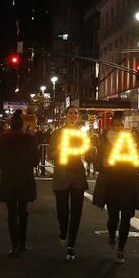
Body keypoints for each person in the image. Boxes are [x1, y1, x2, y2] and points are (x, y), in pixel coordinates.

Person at [92, 115, 139, 263]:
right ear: (111, 127)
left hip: (128, 183)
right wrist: (103, 164)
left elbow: (138, 161)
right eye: (116, 126)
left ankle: (121, 248)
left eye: (121, 125)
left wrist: (138, 166)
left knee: (127, 217)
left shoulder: (130, 142)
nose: (119, 128)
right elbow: (97, 164)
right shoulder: (105, 143)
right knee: (113, 217)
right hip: (112, 184)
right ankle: (111, 234)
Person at [0, 110, 39, 256]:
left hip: (9, 179)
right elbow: (35, 161)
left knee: (11, 213)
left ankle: (14, 246)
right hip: (24, 178)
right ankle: (23, 242)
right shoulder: (30, 140)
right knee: (23, 211)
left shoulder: (2, 141)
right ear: (22, 125)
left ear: (10, 125)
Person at [50, 105, 89, 261]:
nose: (73, 115)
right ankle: (63, 228)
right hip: (62, 173)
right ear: (65, 115)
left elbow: (87, 152)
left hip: (78, 173)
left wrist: (90, 149)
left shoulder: (81, 134)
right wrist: (58, 150)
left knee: (77, 211)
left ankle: (71, 245)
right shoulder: (57, 133)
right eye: (71, 113)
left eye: (75, 113)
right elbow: (50, 154)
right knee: (62, 210)